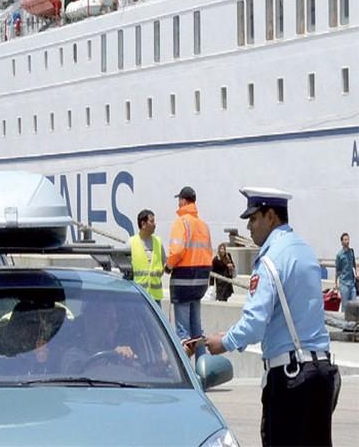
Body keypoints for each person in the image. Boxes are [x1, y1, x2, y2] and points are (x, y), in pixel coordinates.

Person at [205, 188, 339, 447]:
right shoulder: (305, 252)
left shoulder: (269, 260)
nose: (249, 227)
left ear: (271, 217)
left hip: (291, 377)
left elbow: (255, 324)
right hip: (322, 373)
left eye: (254, 218)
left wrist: (224, 342)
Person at [165, 186, 212, 358]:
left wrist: (168, 266)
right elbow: (208, 253)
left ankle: (183, 375)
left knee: (182, 333)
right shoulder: (204, 225)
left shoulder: (181, 222)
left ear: (183, 201)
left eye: (179, 200)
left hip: (183, 280)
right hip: (201, 282)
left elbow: (177, 251)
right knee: (197, 331)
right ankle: (203, 368)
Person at [128, 209, 165, 307]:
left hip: (155, 297)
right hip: (138, 295)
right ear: (143, 224)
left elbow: (163, 263)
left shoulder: (158, 242)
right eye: (152, 221)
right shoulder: (131, 243)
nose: (155, 224)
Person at [334, 232, 356, 311]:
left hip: (352, 283)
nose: (348, 241)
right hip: (344, 284)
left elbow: (354, 264)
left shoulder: (351, 252)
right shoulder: (339, 255)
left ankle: (353, 323)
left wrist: (356, 273)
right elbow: (337, 270)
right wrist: (336, 284)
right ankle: (344, 323)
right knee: (345, 307)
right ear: (342, 242)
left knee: (354, 307)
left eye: (348, 239)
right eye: (346, 240)